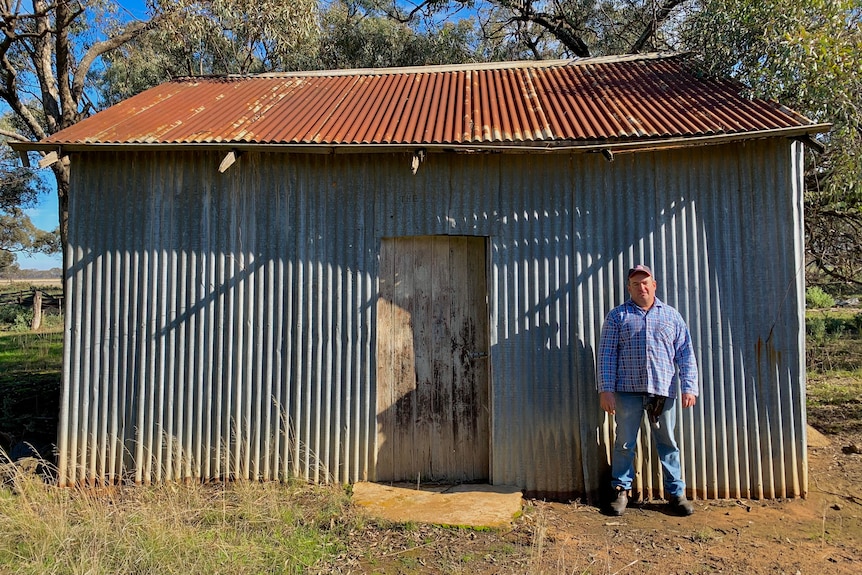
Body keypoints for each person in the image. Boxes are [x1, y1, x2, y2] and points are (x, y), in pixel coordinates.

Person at [597, 264, 698, 516]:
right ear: (628, 288)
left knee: (668, 443)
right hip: (627, 392)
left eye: (645, 283)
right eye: (635, 284)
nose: (641, 287)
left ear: (654, 285)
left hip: (662, 393)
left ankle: (676, 495)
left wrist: (689, 387)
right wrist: (606, 390)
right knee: (624, 443)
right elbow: (607, 355)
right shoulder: (617, 316)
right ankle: (621, 491)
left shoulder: (672, 316)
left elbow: (685, 354)